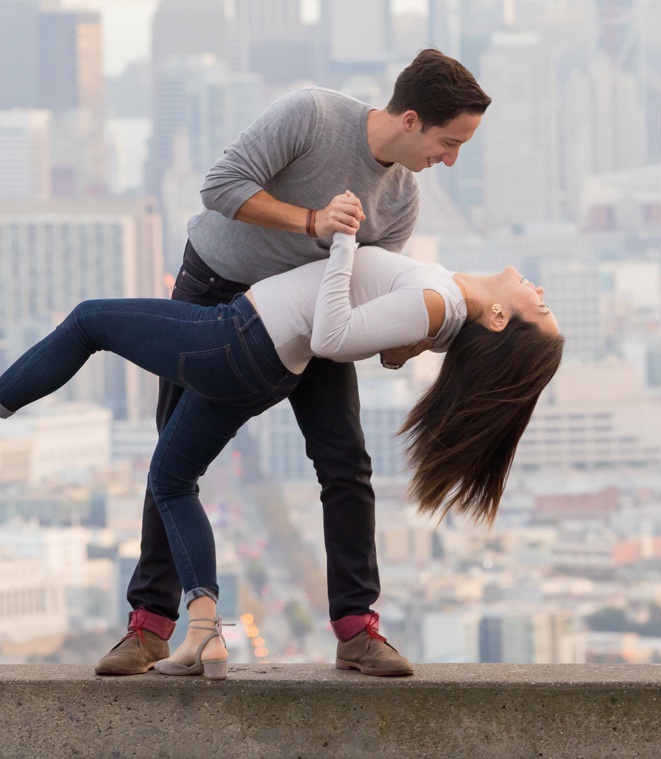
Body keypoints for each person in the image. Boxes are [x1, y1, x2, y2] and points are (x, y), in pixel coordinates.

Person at [0, 196, 565, 680]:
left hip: (238, 338)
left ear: (502, 318)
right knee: (170, 478)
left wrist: (339, 240)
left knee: (90, 320)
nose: (540, 289)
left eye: (542, 307)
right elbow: (376, 336)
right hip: (263, 360)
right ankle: (205, 631)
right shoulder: (443, 306)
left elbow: (332, 335)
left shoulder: (441, 301)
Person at [110, 48, 491, 679]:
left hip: (306, 317)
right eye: (449, 143)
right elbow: (219, 188)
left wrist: (405, 342)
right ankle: (150, 626)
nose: (449, 160)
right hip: (217, 291)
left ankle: (357, 629)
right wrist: (313, 221)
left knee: (345, 460)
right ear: (411, 120)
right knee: (172, 460)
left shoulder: (401, 202)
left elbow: (368, 289)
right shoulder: (311, 116)